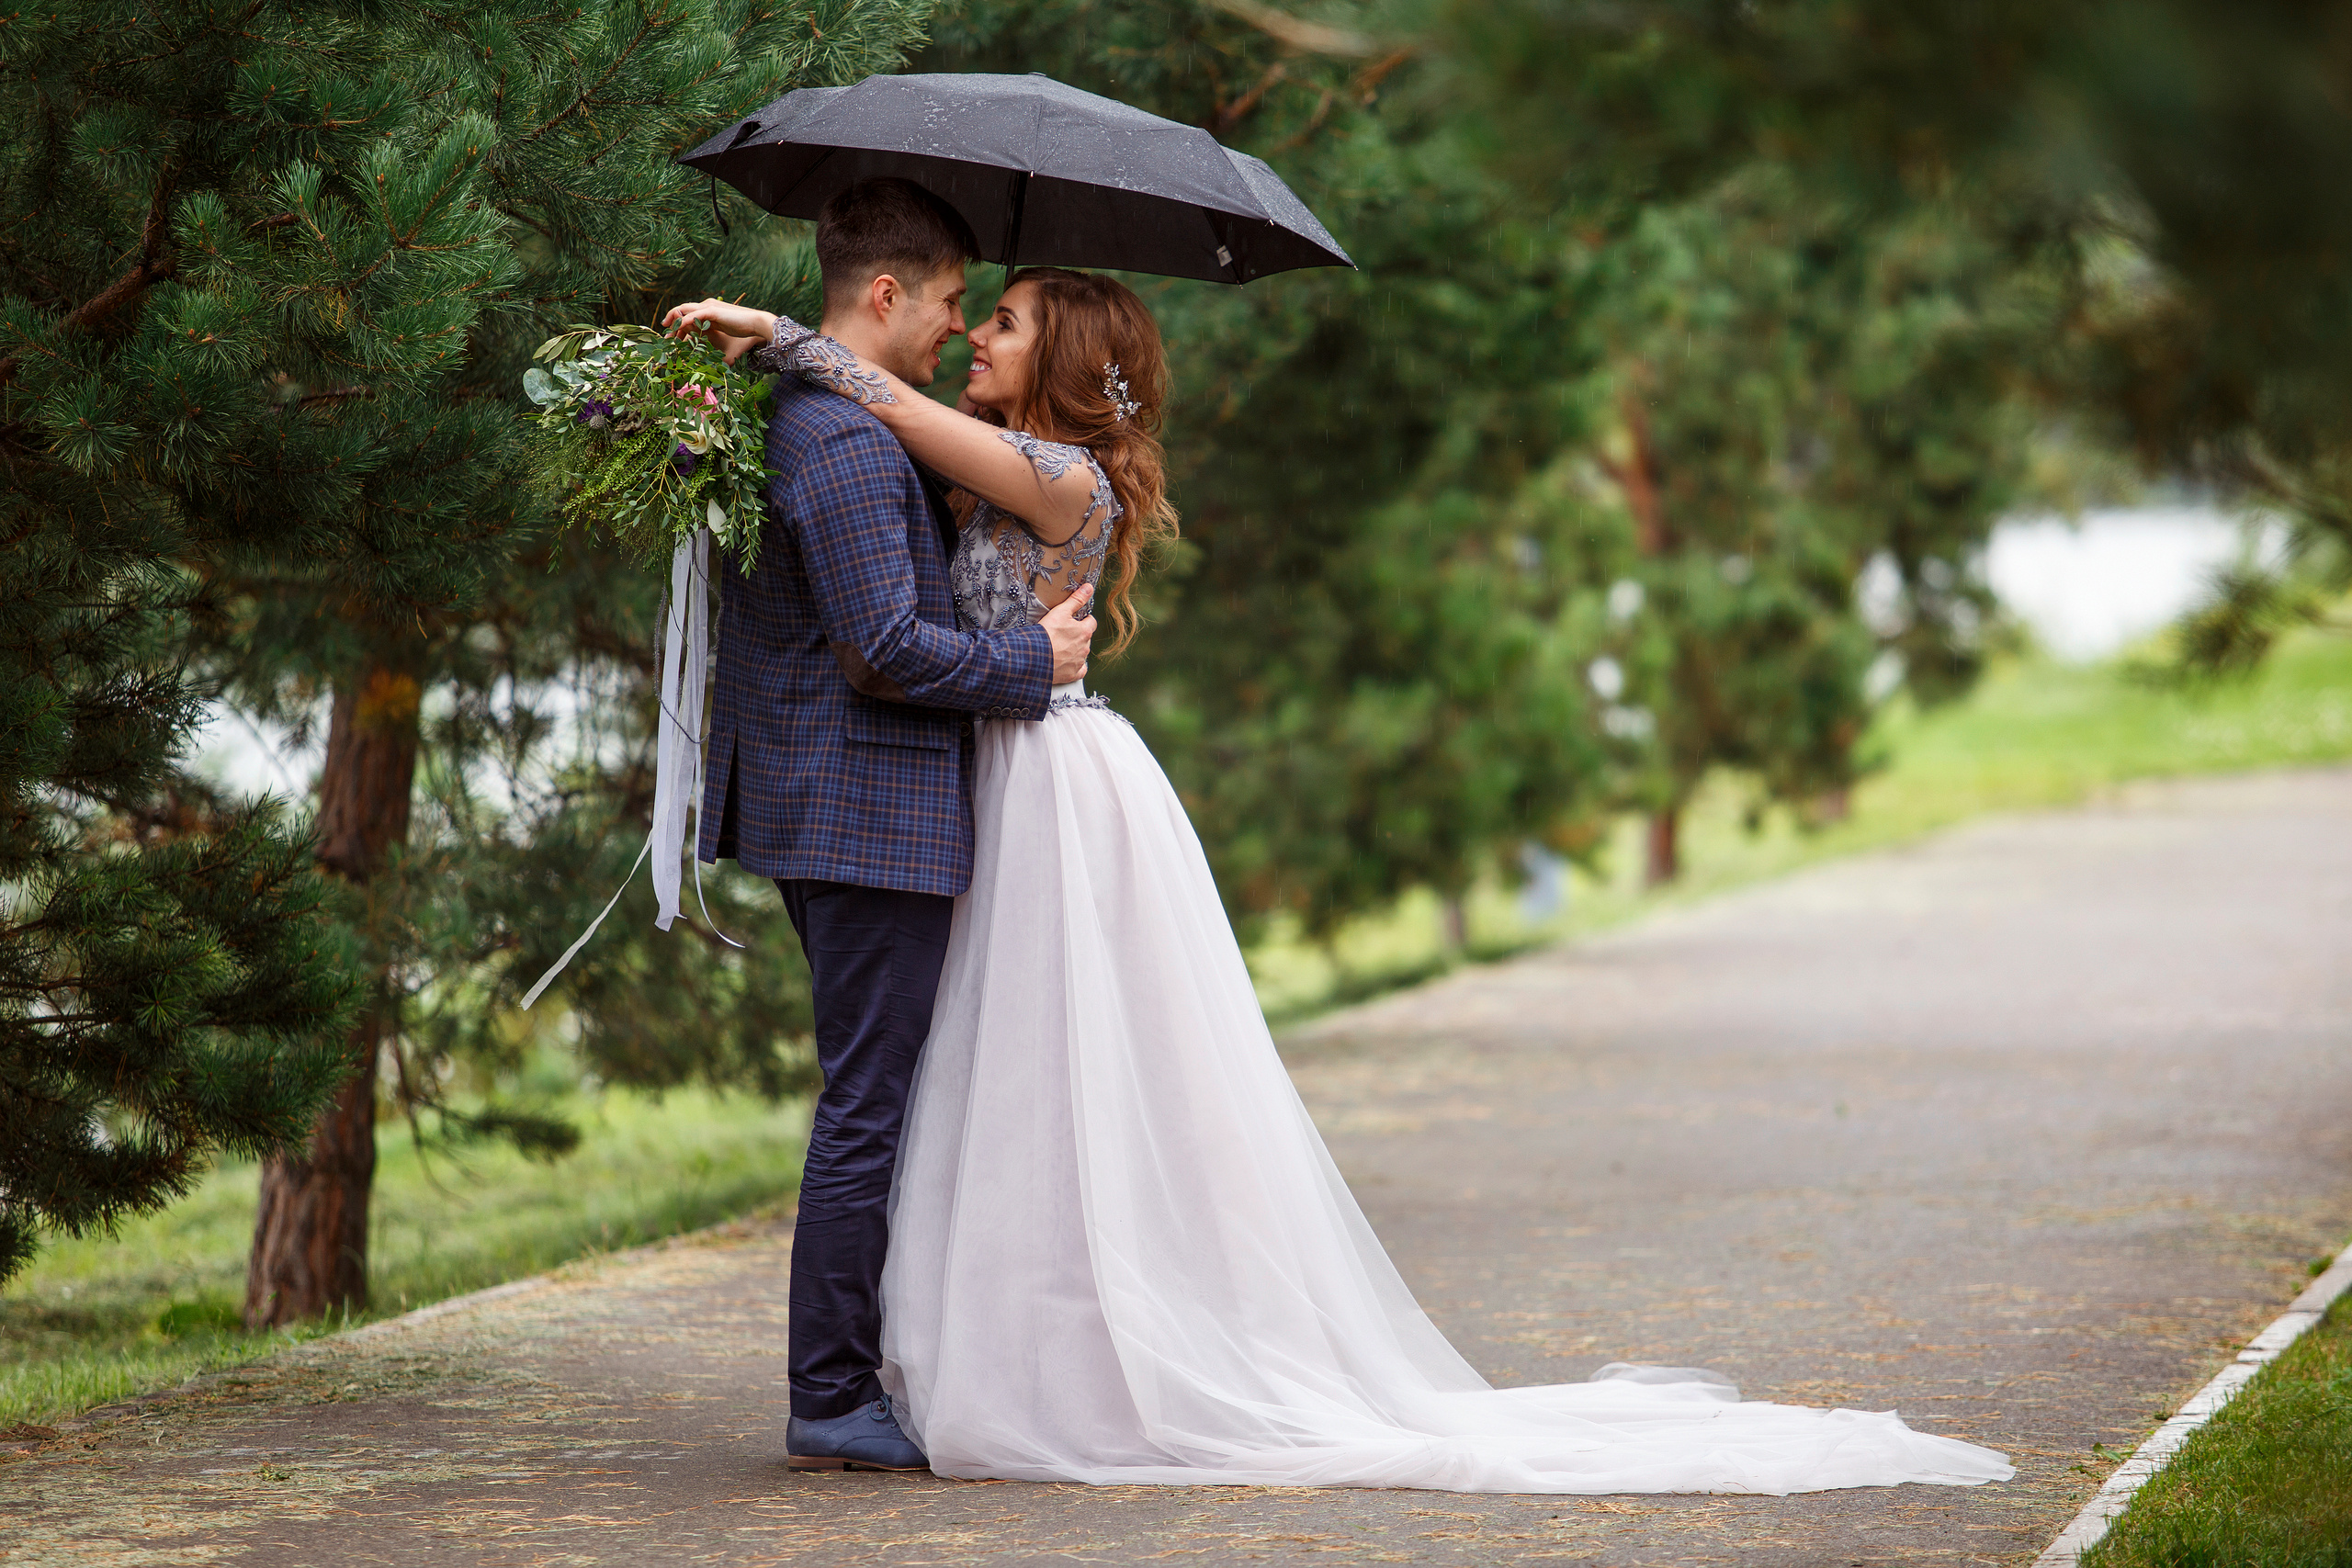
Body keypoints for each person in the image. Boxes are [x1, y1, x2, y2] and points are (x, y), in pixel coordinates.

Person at [665, 259, 2016, 1495]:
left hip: (1053, 781)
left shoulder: (1055, 477)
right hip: (997, 772)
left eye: (1002, 321)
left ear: (1064, 361)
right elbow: (894, 456)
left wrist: (784, 339)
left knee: (1055, 1071)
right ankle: (983, 1349)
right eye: (975, 311)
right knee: (998, 1079)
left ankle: (1040, 1363)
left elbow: (882, 398)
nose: (974, 336)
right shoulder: (998, 467)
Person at [673, 178, 1097, 1473]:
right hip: (866, 809)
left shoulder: (814, 417)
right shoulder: (846, 441)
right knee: (869, 1105)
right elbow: (882, 654)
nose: (956, 330)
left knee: (891, 1096)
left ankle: (879, 1371)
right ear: (885, 294)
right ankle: (831, 1394)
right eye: (956, 303)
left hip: (847, 805)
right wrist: (1036, 665)